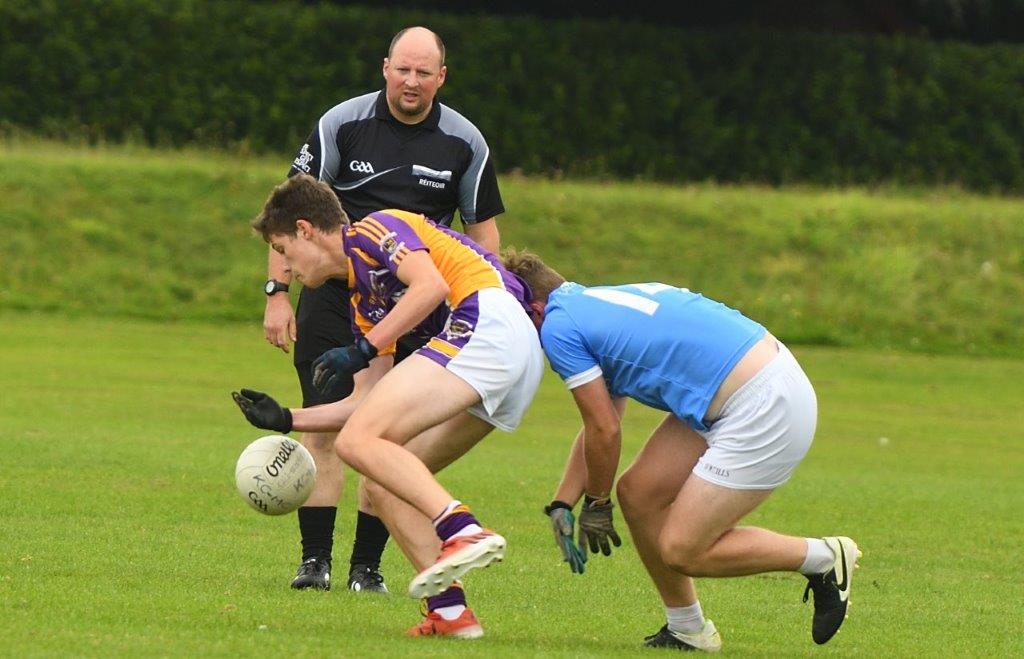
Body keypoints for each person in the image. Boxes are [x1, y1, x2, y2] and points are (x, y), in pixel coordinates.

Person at [502, 249, 860, 651]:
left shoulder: (557, 327)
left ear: (534, 309)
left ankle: (821, 558)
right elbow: (605, 421)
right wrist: (563, 503)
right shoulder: (589, 304)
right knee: (639, 494)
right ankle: (688, 628)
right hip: (753, 384)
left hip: (763, 405)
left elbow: (603, 429)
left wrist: (597, 504)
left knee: (682, 550)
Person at [235, 174, 543, 637]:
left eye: (281, 250)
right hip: (504, 354)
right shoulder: (366, 302)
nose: (284, 267)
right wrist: (287, 418)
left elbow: (430, 287)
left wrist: (363, 349)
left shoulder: (376, 228)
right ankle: (451, 613)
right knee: (380, 481)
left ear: (305, 229)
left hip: (488, 319)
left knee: (359, 443)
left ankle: (462, 529)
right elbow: (367, 402)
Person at [262, 26, 505, 593]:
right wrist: (277, 294)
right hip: (331, 297)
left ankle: (366, 570)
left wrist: (475, 303)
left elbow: (484, 236)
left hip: (417, 307)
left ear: (441, 77)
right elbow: (287, 212)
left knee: (385, 434)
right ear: (385, 68)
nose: (412, 82)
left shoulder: (464, 142)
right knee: (325, 426)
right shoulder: (341, 124)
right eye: (403, 69)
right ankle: (314, 563)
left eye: (424, 72)